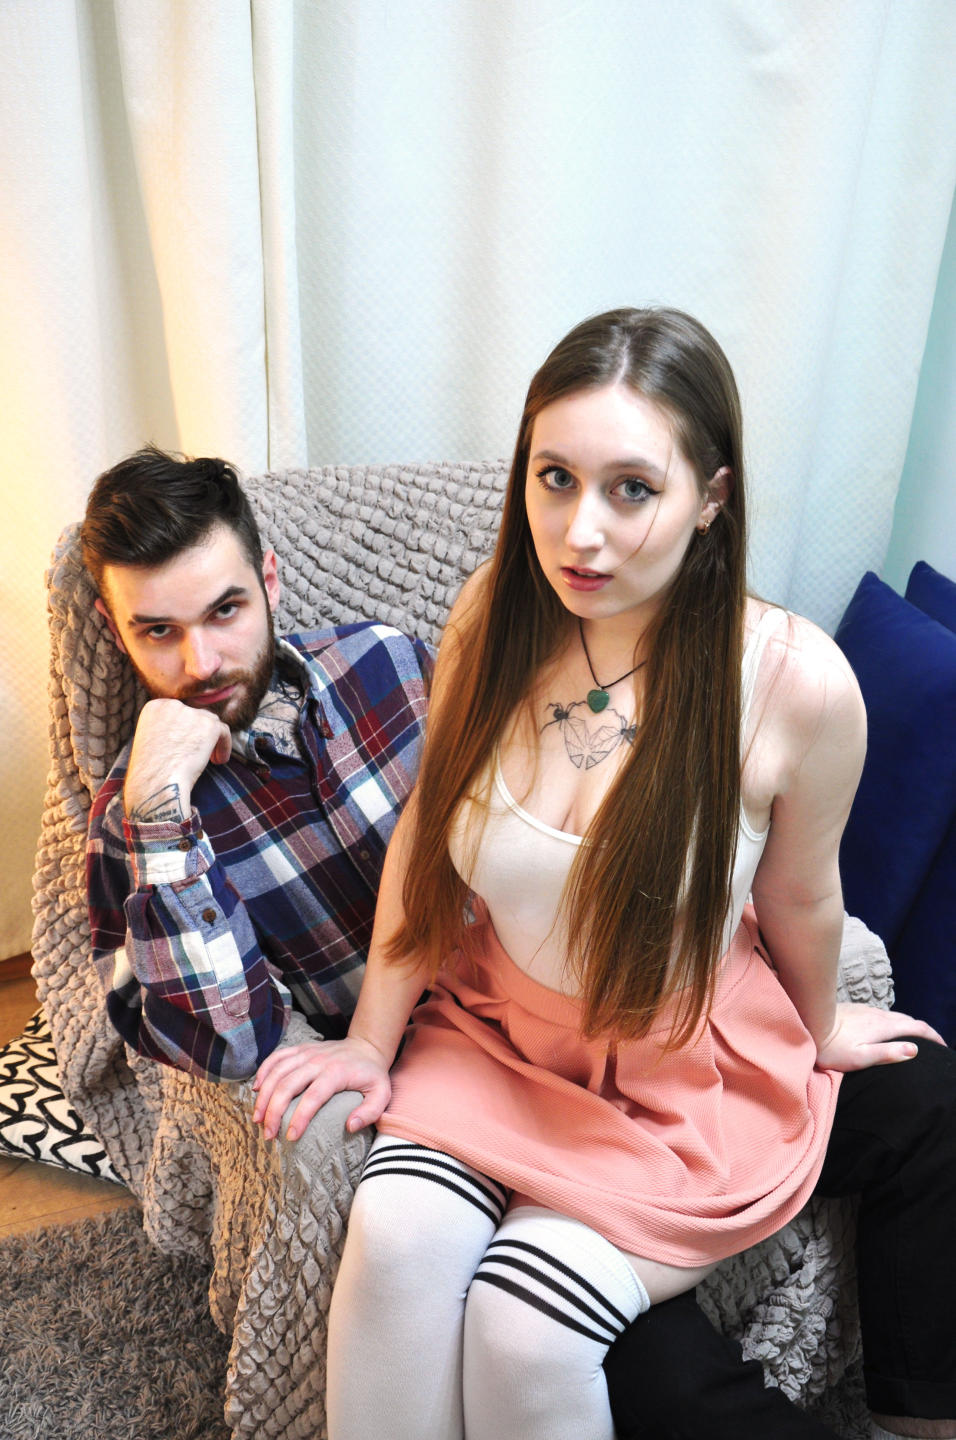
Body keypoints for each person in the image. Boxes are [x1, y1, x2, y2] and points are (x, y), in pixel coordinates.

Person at [251, 307, 956, 1440]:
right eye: (555, 479)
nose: (580, 532)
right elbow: (428, 838)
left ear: (711, 497)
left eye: (632, 489)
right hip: (492, 1032)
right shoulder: (493, 616)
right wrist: (369, 1043)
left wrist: (823, 1024)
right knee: (395, 1247)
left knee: (525, 1332)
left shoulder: (797, 685)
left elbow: (799, 894)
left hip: (671, 1069)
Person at [83, 445, 432, 1081]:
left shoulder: (388, 662)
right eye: (158, 631)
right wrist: (159, 816)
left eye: (225, 611)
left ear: (269, 582)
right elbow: (230, 1049)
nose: (202, 665)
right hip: (400, 1083)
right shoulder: (126, 825)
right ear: (115, 630)